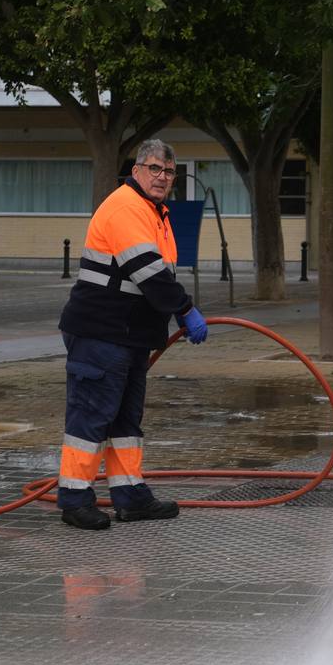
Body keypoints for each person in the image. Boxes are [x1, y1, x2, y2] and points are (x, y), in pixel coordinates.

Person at [54, 139, 210, 531]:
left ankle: (130, 495)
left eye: (169, 172)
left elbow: (156, 275)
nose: (162, 177)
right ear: (137, 169)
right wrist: (185, 310)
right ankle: (75, 498)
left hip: (129, 335)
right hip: (101, 332)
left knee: (125, 421)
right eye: (155, 168)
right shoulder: (126, 206)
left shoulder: (154, 211)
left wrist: (174, 313)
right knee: (91, 417)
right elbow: (149, 272)